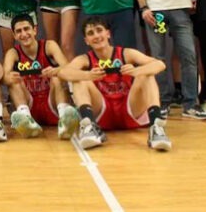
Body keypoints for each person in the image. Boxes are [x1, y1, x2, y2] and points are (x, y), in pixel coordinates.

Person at [58, 16, 171, 151]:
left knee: (146, 75)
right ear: (86, 41)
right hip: (102, 110)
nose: (96, 36)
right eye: (90, 33)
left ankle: (156, 129)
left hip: (130, 108)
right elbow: (63, 73)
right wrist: (88, 75)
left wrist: (136, 70)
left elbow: (160, 64)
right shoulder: (85, 59)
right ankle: (89, 126)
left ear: (108, 33)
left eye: (99, 30)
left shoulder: (125, 53)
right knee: (79, 78)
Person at [2, 14, 80, 139]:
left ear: (35, 30)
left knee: (57, 76)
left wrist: (55, 70)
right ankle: (25, 118)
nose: (23, 34)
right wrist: (9, 77)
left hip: (52, 102)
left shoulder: (49, 46)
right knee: (13, 80)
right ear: (14, 35)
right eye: (19, 31)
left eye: (26, 29)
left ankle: (64, 120)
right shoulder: (13, 53)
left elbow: (68, 69)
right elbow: (4, 77)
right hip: (30, 104)